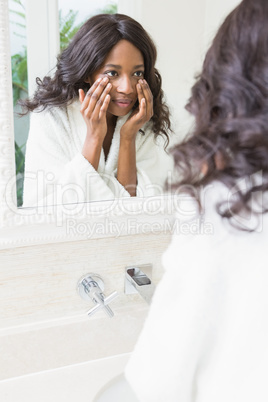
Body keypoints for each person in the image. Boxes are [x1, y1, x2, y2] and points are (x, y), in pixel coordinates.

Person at [125, 0, 268, 401]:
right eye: (110, 74)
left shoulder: (227, 204)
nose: (123, 87)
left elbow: (157, 382)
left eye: (136, 73)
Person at [21, 13, 172, 207]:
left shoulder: (143, 118)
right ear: (87, 72)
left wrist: (128, 138)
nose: (127, 87)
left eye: (137, 73)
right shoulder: (52, 117)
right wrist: (93, 137)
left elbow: (139, 210)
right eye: (112, 73)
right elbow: (43, 207)